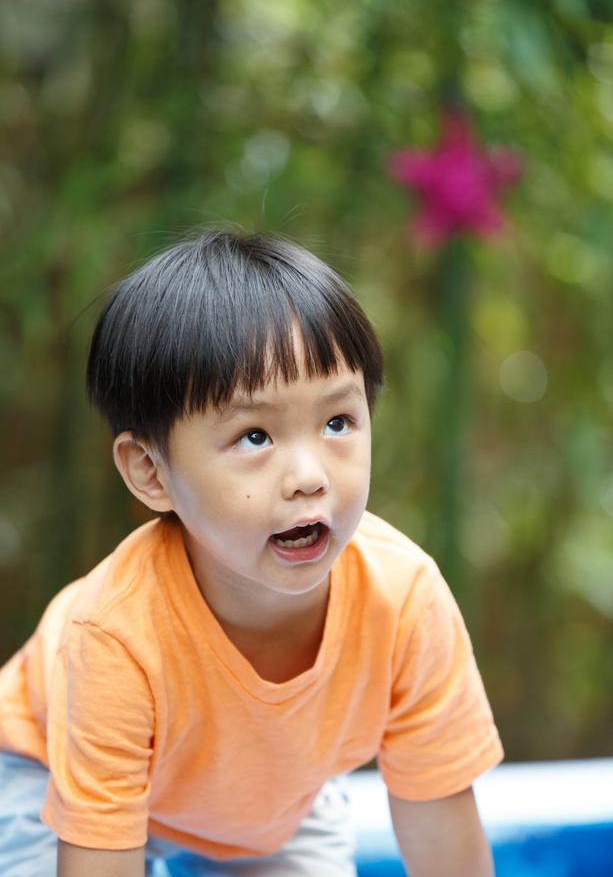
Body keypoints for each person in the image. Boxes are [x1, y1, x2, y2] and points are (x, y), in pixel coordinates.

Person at [0, 230, 503, 877]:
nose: (308, 475)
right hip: (45, 771)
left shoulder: (403, 599)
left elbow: (441, 829)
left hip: (266, 791)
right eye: (255, 435)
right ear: (151, 472)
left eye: (337, 423)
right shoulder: (114, 635)